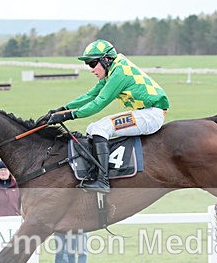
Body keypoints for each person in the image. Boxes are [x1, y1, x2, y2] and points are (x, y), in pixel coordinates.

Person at [38, 39, 170, 193]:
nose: (91, 69)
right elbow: (91, 95)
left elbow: (98, 104)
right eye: (88, 65)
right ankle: (95, 172)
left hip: (151, 115)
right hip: (145, 112)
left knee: (100, 128)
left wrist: (68, 115)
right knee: (92, 128)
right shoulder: (113, 69)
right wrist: (62, 109)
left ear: (106, 60)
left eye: (93, 64)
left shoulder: (119, 73)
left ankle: (103, 180)